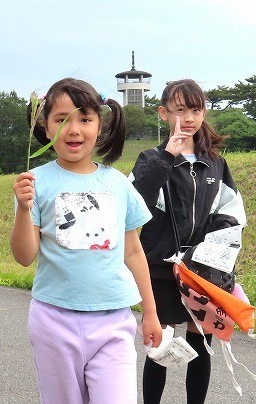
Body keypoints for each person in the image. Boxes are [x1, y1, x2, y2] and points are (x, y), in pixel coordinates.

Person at [10, 77, 162, 404]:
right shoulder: (35, 183)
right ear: (46, 127)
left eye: (84, 119)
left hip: (113, 320)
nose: (74, 129)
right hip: (53, 320)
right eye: (61, 119)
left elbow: (134, 252)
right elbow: (24, 256)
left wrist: (150, 312)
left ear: (99, 125)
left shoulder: (118, 183)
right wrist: (23, 208)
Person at [129, 79, 246, 404]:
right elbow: (135, 206)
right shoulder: (150, 159)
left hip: (202, 273)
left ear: (204, 112)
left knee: (201, 345)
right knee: (160, 347)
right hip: (160, 271)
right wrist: (168, 156)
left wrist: (204, 255)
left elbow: (231, 214)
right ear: (163, 113)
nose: (189, 117)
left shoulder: (216, 163)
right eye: (180, 110)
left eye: (196, 109)